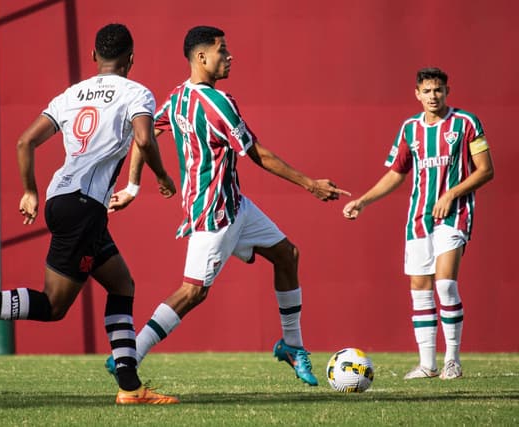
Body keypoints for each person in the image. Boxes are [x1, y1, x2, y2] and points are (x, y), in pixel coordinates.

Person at [0, 23, 179, 405]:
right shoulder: (137, 93)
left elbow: (24, 141)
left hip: (62, 199)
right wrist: (162, 176)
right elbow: (145, 139)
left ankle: (130, 388)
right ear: (131, 59)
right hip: (84, 207)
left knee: (121, 285)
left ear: (93, 57)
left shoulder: (71, 94)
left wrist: (30, 190)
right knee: (53, 306)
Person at [106, 25, 350, 386]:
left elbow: (145, 137)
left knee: (287, 255)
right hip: (214, 213)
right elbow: (257, 154)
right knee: (193, 292)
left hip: (236, 206)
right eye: (222, 51)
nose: (229, 56)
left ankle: (292, 345)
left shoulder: (177, 98)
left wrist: (132, 186)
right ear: (201, 57)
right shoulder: (217, 103)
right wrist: (310, 184)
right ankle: (131, 354)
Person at [342, 67, 494, 380]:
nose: (433, 96)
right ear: (417, 94)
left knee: (445, 284)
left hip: (454, 214)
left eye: (438, 90)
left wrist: (451, 193)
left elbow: (485, 170)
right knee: (420, 288)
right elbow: (396, 173)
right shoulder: (410, 129)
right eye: (427, 91)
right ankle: (427, 364)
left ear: (447, 91)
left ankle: (452, 360)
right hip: (418, 219)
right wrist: (363, 201)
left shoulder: (465, 123)